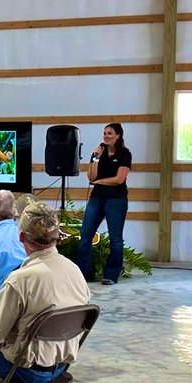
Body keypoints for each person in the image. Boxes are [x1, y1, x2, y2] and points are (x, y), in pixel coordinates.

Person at [0, 203, 91, 383]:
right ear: (57, 237)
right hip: (60, 367)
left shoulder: (20, 279)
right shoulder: (75, 270)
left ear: (21, 236)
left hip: (24, 369)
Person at [78, 122, 131, 285]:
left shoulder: (124, 154)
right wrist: (95, 158)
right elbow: (91, 177)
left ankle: (111, 274)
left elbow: (119, 179)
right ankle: (83, 274)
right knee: (86, 235)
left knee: (115, 238)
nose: (106, 136)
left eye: (110, 133)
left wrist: (100, 181)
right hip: (97, 198)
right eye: (104, 133)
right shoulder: (99, 153)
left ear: (118, 136)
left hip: (116, 199)